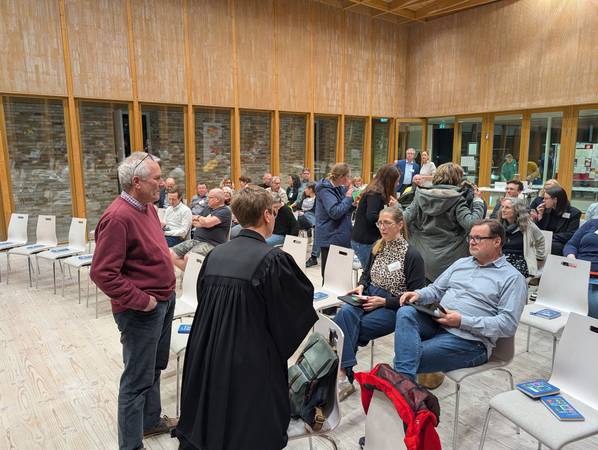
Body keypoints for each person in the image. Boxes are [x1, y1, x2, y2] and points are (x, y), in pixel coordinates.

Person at [175, 186, 318, 450]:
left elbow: (203, 299)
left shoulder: (215, 254)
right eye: (273, 212)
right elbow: (294, 310)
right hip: (249, 360)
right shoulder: (273, 259)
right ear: (267, 214)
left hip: (208, 351)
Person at [90, 152, 177, 450]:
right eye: (157, 178)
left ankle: (150, 421)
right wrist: (143, 301)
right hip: (142, 311)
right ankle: (131, 445)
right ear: (136, 182)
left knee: (154, 368)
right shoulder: (117, 217)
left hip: (163, 301)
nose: (162, 183)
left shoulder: (147, 208)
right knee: (136, 381)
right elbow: (103, 273)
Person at [395, 220, 527, 381]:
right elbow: (436, 289)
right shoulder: (461, 263)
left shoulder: (512, 278)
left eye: (478, 238)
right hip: (437, 322)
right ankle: (404, 387)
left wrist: (461, 321)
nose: (472, 242)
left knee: (407, 357)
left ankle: (400, 386)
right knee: (406, 312)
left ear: (497, 241)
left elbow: (508, 325)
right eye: (470, 237)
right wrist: (418, 294)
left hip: (469, 341)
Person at [334, 207, 425, 400]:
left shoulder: (412, 255)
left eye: (387, 223)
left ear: (400, 225)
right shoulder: (378, 246)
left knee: (349, 328)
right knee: (344, 313)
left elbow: (415, 297)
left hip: (393, 306)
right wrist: (360, 286)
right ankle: (343, 374)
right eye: (380, 223)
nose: (382, 227)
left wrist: (385, 302)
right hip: (369, 296)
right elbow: (366, 274)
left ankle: (342, 374)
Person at [403, 162, 485, 282]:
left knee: (424, 291)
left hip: (422, 257)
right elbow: (472, 224)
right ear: (457, 178)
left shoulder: (420, 195)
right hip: (451, 259)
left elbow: (404, 219)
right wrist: (478, 201)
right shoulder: (457, 198)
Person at [170, 188, 232, 271]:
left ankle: (192, 275)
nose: (207, 199)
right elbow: (193, 220)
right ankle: (192, 274)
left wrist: (201, 219)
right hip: (196, 240)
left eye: (209, 197)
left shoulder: (225, 211)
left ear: (217, 199)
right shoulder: (208, 208)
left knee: (189, 258)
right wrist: (203, 221)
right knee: (171, 253)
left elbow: (208, 223)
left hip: (211, 243)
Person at [351, 164, 400, 268]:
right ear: (389, 180)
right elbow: (371, 216)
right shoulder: (375, 193)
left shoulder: (378, 192)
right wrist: (389, 219)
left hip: (368, 239)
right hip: (365, 241)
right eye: (396, 181)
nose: (397, 184)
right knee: (371, 273)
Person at [315, 162, 355, 278]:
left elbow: (343, 209)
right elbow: (335, 212)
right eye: (348, 176)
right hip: (330, 237)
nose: (350, 179)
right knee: (330, 278)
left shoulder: (338, 188)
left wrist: (353, 205)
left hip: (340, 234)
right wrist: (348, 197)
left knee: (341, 277)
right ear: (342, 177)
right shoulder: (325, 189)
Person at [498, 197, 545, 277]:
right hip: (501, 258)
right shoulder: (499, 225)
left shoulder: (528, 225)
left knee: (510, 275)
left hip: (520, 260)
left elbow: (540, 239)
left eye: (507, 208)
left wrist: (539, 258)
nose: (503, 210)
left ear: (517, 211)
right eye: (502, 207)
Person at [564, 218, 598, 318]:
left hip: (595, 280)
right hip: (577, 271)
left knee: (592, 304)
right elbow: (571, 244)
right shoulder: (592, 223)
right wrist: (571, 257)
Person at [533, 186, 581, 255]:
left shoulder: (574, 213)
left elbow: (571, 234)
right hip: (546, 240)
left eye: (546, 198)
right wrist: (540, 216)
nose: (543, 200)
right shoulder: (546, 210)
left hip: (560, 242)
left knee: (551, 246)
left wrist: (550, 236)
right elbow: (540, 230)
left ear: (555, 199)